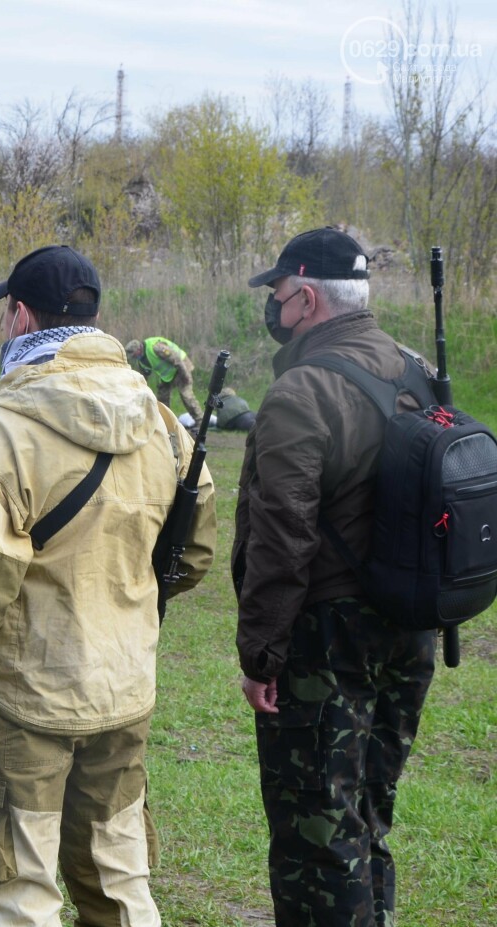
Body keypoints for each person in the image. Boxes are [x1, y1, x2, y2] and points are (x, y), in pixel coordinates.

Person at [0, 245, 216, 927]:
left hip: (28, 701)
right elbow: (193, 551)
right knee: (118, 882)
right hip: (124, 690)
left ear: (20, 316)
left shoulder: (4, 436)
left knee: (19, 890)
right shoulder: (162, 422)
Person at [234, 228, 435, 927]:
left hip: (328, 640)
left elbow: (280, 536)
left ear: (307, 297)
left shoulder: (303, 390)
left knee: (316, 839)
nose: (274, 308)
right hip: (409, 629)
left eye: (279, 295)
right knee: (367, 818)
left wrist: (262, 654)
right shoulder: (412, 370)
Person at [126, 335, 206, 424]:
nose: (134, 358)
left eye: (134, 355)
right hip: (168, 375)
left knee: (186, 395)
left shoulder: (155, 348)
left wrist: (185, 375)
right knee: (162, 398)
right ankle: (165, 423)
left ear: (139, 350)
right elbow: (143, 378)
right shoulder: (142, 361)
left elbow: (177, 359)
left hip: (181, 366)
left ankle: (201, 421)